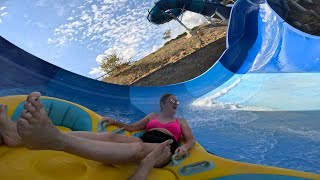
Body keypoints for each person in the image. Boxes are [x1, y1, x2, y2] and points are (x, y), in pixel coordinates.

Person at [0, 92, 195, 179]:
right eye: (172, 101)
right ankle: (17, 137)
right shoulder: (152, 116)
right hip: (144, 137)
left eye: (176, 102)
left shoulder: (181, 122)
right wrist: (115, 122)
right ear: (163, 104)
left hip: (165, 146)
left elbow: (190, 140)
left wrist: (184, 147)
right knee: (114, 138)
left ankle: (56, 139)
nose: (176, 103)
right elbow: (133, 127)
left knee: (137, 149)